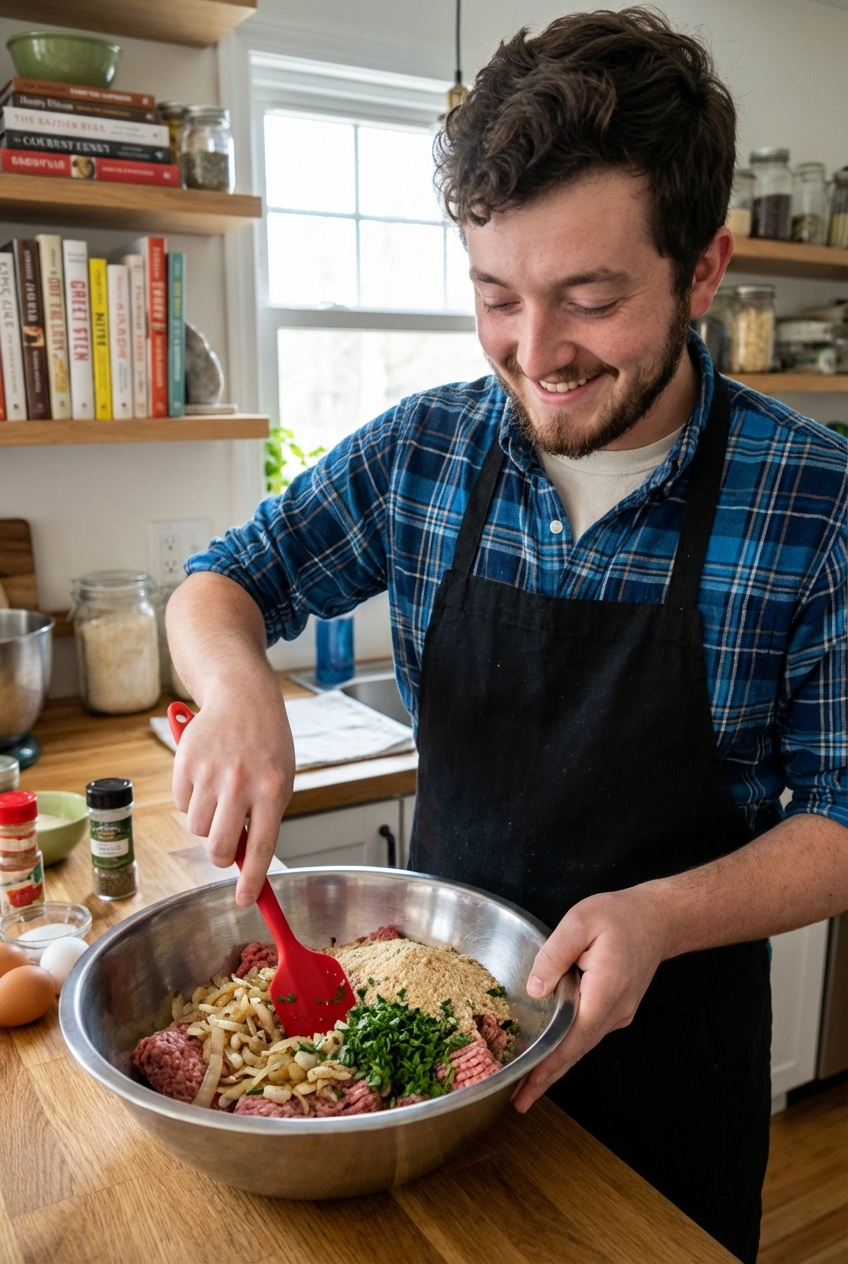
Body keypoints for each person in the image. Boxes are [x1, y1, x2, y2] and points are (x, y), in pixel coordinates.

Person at [167, 10, 847, 1261]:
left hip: (667, 1063)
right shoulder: (422, 451)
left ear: (703, 269)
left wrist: (657, 914)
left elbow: (845, 813)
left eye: (589, 300)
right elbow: (219, 583)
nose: (534, 358)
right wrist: (235, 687)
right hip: (424, 1045)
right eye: (494, 297)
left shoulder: (816, 502)